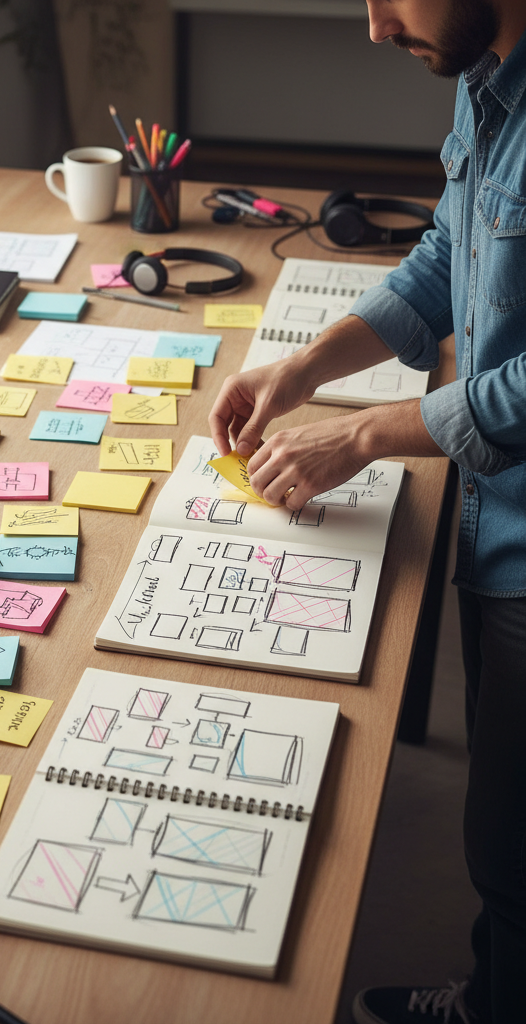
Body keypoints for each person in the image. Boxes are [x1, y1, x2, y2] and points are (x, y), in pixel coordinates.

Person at [208, 1, 526, 1022]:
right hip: (493, 520)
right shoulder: (489, 82)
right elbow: (448, 259)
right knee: (502, 812)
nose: (376, 27)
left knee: (512, 836)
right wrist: (303, 369)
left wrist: (367, 433)